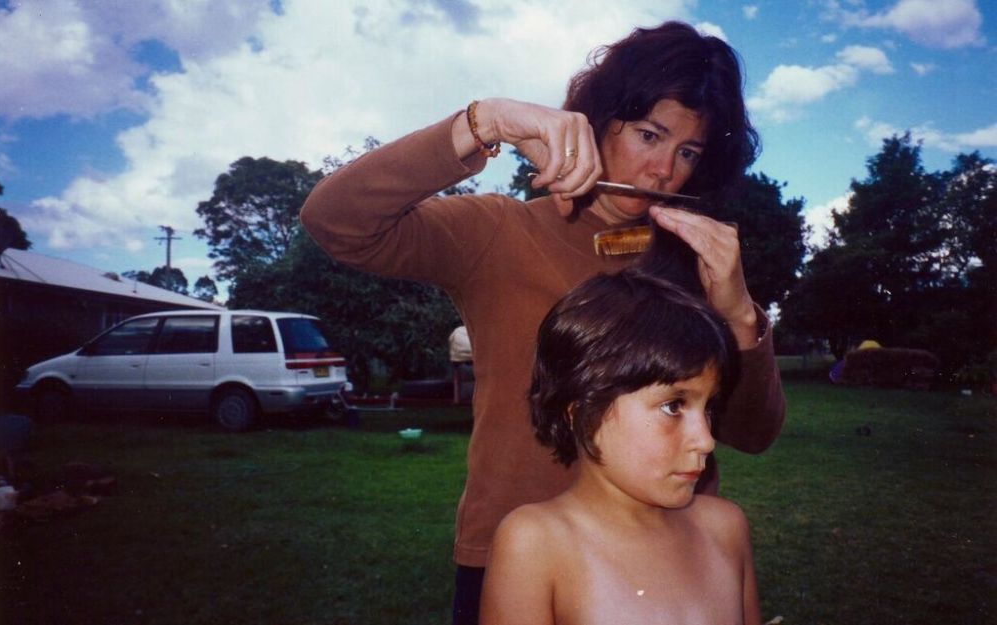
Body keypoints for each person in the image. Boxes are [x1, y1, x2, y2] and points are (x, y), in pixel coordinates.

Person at [300, 21, 784, 624]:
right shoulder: (501, 232)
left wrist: (738, 314)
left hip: (675, 550)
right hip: (513, 555)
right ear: (596, 119)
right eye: (648, 134)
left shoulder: (698, 260)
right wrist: (486, 121)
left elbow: (752, 433)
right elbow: (334, 221)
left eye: (687, 152)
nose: (663, 170)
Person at [480, 267, 760, 625]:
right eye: (673, 406)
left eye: (709, 407)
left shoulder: (725, 528)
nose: (705, 440)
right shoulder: (536, 545)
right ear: (582, 412)